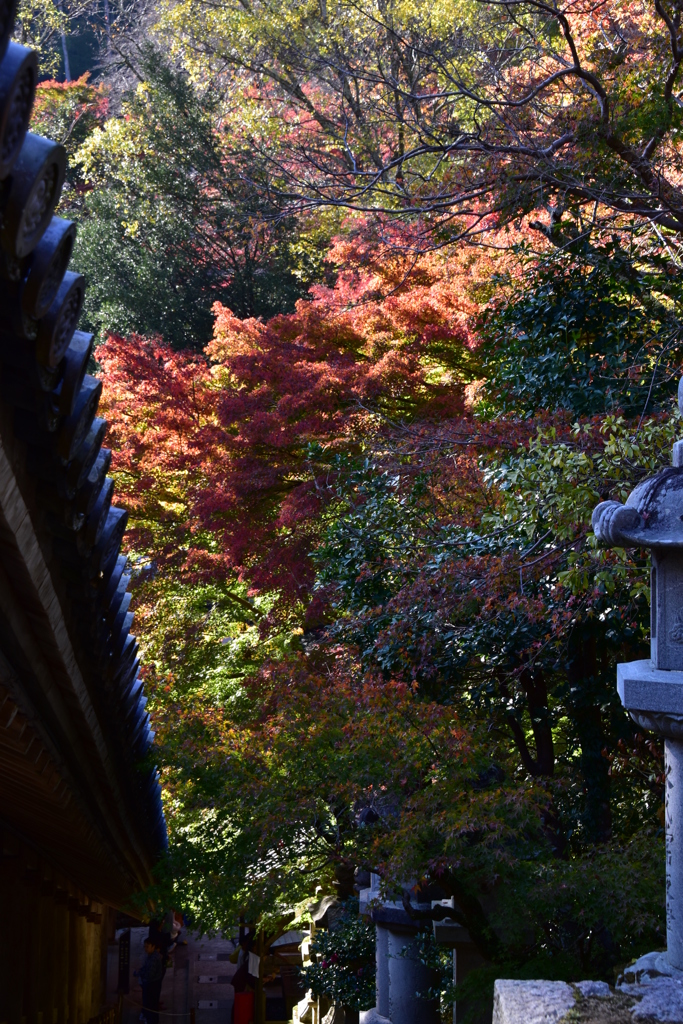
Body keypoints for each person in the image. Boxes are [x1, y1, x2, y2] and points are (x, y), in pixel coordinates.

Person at [134, 938, 163, 1024]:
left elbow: (150, 974)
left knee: (151, 1006)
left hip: (152, 985)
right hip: (152, 984)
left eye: (148, 947)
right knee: (150, 1006)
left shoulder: (154, 958)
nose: (146, 949)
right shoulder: (151, 956)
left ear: (153, 947)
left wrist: (142, 976)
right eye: (145, 947)